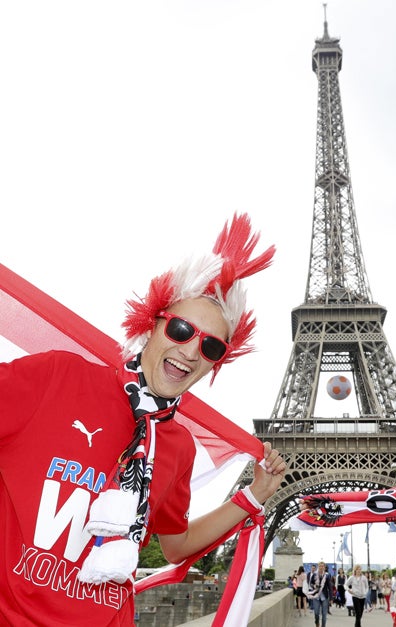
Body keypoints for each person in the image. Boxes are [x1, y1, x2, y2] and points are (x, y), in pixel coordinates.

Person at [0, 214, 287, 625]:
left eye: (211, 346)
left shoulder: (177, 446)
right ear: (153, 323)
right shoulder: (56, 378)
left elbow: (177, 545)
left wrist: (254, 496)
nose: (191, 351)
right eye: (182, 329)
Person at [308, 560, 332, 627]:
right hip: (316, 596)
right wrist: (314, 586)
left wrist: (331, 598)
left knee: (324, 614)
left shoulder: (327, 575)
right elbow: (311, 583)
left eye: (322, 566)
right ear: (318, 567)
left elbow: (330, 587)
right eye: (320, 566)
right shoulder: (314, 574)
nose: (321, 567)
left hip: (324, 597)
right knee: (316, 613)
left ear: (324, 567)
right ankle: (317, 623)